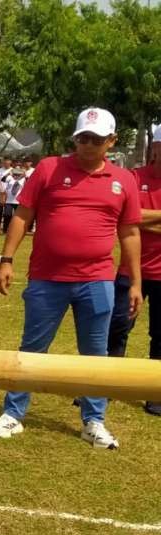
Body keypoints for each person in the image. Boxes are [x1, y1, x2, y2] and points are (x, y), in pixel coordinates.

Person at [0, 107, 141, 449]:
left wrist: (135, 283)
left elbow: (130, 233)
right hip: (47, 278)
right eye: (82, 138)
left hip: (98, 280)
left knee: (95, 355)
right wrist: (6, 259)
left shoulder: (124, 181)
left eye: (97, 139)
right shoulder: (48, 168)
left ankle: (94, 420)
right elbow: (22, 216)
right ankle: (13, 413)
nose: (88, 145)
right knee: (33, 349)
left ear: (111, 141)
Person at [107, 124, 161, 416]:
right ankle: (106, 385)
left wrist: (141, 219)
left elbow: (137, 218)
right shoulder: (134, 177)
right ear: (154, 147)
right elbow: (126, 217)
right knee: (117, 327)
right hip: (132, 269)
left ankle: (155, 392)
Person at [2, 168, 26, 233]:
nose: (16, 176)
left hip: (18, 201)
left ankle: (17, 230)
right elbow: (3, 179)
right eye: (15, 174)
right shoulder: (10, 179)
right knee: (7, 215)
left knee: (18, 217)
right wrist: (9, 173)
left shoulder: (23, 180)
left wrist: (24, 173)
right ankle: (5, 229)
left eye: (18, 174)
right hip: (9, 201)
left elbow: (30, 180)